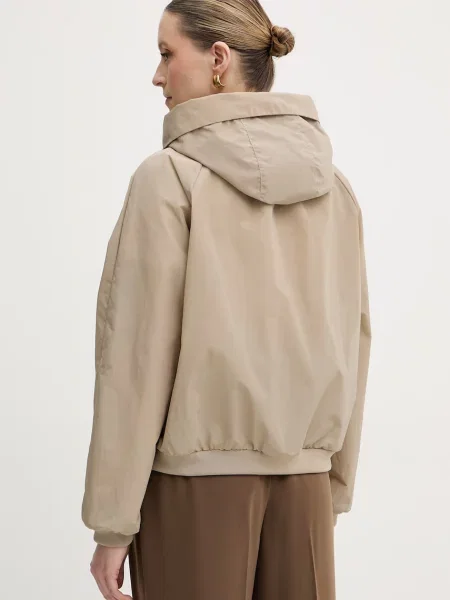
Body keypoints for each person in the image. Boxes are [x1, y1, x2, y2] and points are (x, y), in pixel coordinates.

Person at [82, 1, 372, 599]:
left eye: (167, 54)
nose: (157, 76)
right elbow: (354, 338)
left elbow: (137, 356)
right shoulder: (334, 187)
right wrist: (334, 483)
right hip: (307, 485)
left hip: (193, 490)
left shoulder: (169, 179)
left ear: (218, 58)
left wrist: (113, 521)